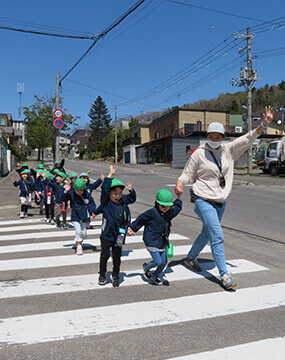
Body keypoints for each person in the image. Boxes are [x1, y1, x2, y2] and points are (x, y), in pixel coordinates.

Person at [175, 106, 274, 290]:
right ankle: (225, 275)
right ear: (207, 137)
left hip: (220, 201)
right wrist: (180, 182)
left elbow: (248, 138)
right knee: (217, 235)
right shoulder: (199, 154)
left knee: (207, 232)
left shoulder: (228, 150)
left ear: (223, 138)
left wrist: (263, 125)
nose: (214, 140)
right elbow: (187, 174)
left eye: (217, 137)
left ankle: (190, 258)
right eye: (211, 137)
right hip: (202, 199)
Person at [127, 189, 182, 285]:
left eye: (168, 206)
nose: (166, 208)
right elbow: (141, 219)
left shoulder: (169, 212)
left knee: (164, 262)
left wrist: (179, 197)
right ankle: (146, 267)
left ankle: (155, 275)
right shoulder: (152, 213)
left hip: (162, 241)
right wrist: (132, 228)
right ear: (157, 203)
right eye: (163, 206)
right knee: (158, 261)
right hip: (151, 240)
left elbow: (177, 208)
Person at [96, 165, 136, 288]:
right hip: (107, 235)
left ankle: (116, 275)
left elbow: (132, 199)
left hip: (120, 234)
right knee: (105, 255)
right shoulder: (106, 202)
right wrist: (110, 175)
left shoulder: (123, 200)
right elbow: (104, 188)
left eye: (119, 193)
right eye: (114, 193)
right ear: (109, 193)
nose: (117, 196)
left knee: (117, 256)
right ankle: (102, 274)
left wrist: (131, 191)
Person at [62, 178, 96, 255]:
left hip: (84, 216)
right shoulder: (71, 193)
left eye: (81, 190)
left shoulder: (86, 194)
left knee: (83, 233)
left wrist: (93, 212)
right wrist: (65, 192)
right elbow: (62, 199)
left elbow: (91, 203)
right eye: (78, 191)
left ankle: (79, 241)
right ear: (75, 189)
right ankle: (79, 246)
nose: (80, 192)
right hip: (75, 216)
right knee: (78, 231)